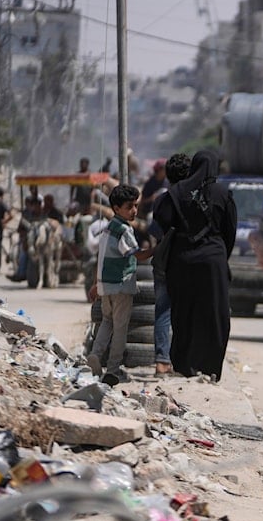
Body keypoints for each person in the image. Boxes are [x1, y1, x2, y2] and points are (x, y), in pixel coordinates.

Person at [153, 150, 237, 380]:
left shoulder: (176, 192)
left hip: (182, 261)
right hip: (214, 261)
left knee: (183, 313)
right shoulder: (223, 193)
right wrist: (219, 255)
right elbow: (230, 231)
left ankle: (183, 365)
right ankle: (210, 368)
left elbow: (161, 221)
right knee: (215, 315)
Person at [86, 184, 153, 386]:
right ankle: (114, 370)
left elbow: (101, 258)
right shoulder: (124, 230)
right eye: (129, 206)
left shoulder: (108, 227)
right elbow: (138, 255)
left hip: (106, 286)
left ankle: (96, 354)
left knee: (107, 321)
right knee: (120, 328)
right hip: (122, 287)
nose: (134, 210)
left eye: (135, 206)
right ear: (116, 208)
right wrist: (159, 248)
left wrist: (96, 284)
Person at [150, 152, 190, 376]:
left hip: (163, 261)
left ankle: (162, 361)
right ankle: (178, 360)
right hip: (185, 263)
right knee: (183, 313)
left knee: (162, 312)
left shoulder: (161, 200)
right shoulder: (192, 200)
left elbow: (154, 231)